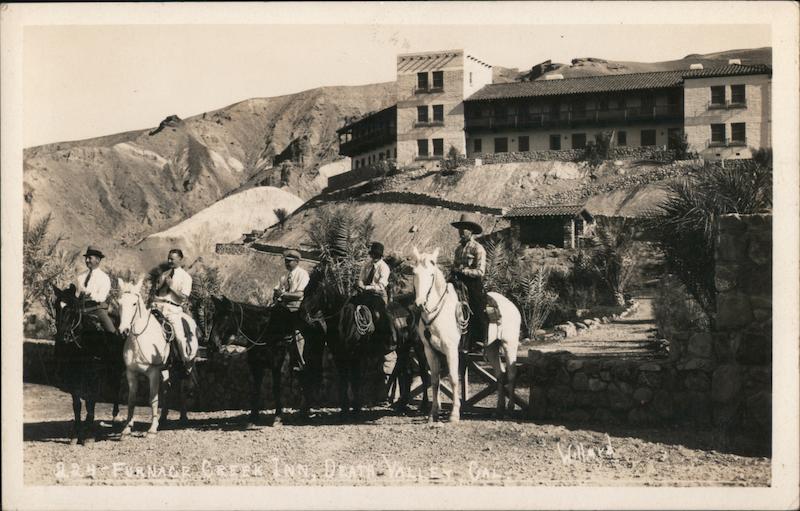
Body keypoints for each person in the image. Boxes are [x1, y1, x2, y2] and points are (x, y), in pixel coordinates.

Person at [449, 213, 489, 353]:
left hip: (472, 283)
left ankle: (478, 340)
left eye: (464, 229)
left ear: (471, 231)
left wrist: (464, 271)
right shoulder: (458, 249)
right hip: (457, 280)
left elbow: (480, 271)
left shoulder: (478, 248)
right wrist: (454, 270)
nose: (461, 232)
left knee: (476, 306)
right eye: (460, 229)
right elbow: (454, 265)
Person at [152, 249, 195, 366]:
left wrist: (172, 287)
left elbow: (183, 297)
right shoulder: (164, 274)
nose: (169, 261)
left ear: (180, 259)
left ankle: (185, 362)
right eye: (168, 258)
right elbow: (155, 291)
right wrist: (158, 285)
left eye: (172, 259)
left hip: (172, 310)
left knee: (180, 337)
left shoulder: (186, 277)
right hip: (157, 307)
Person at [273, 249, 310, 370]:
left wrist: (282, 295)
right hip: (283, 308)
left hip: (297, 308)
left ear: (296, 262)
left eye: (289, 261)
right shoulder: (284, 276)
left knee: (296, 334)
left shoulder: (302, 274)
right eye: (286, 261)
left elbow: (299, 294)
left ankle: (300, 362)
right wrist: (276, 295)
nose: (287, 263)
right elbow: (277, 290)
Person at [75, 246, 116, 334]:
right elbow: (77, 293)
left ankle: (115, 341)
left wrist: (89, 296)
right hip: (80, 309)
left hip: (96, 309)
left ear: (97, 260)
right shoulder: (80, 276)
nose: (87, 260)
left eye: (89, 258)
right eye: (86, 258)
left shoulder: (104, 278)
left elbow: (101, 297)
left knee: (111, 332)